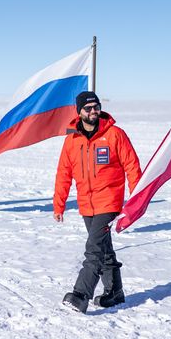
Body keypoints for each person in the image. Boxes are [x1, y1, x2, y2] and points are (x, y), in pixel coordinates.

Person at [53, 91, 142, 313]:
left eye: (96, 107)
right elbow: (63, 174)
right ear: (79, 112)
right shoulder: (72, 141)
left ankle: (80, 295)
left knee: (93, 249)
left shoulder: (115, 135)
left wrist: (137, 199)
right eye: (88, 108)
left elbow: (132, 165)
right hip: (86, 204)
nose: (94, 111)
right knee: (104, 249)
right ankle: (114, 292)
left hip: (109, 202)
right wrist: (59, 204)